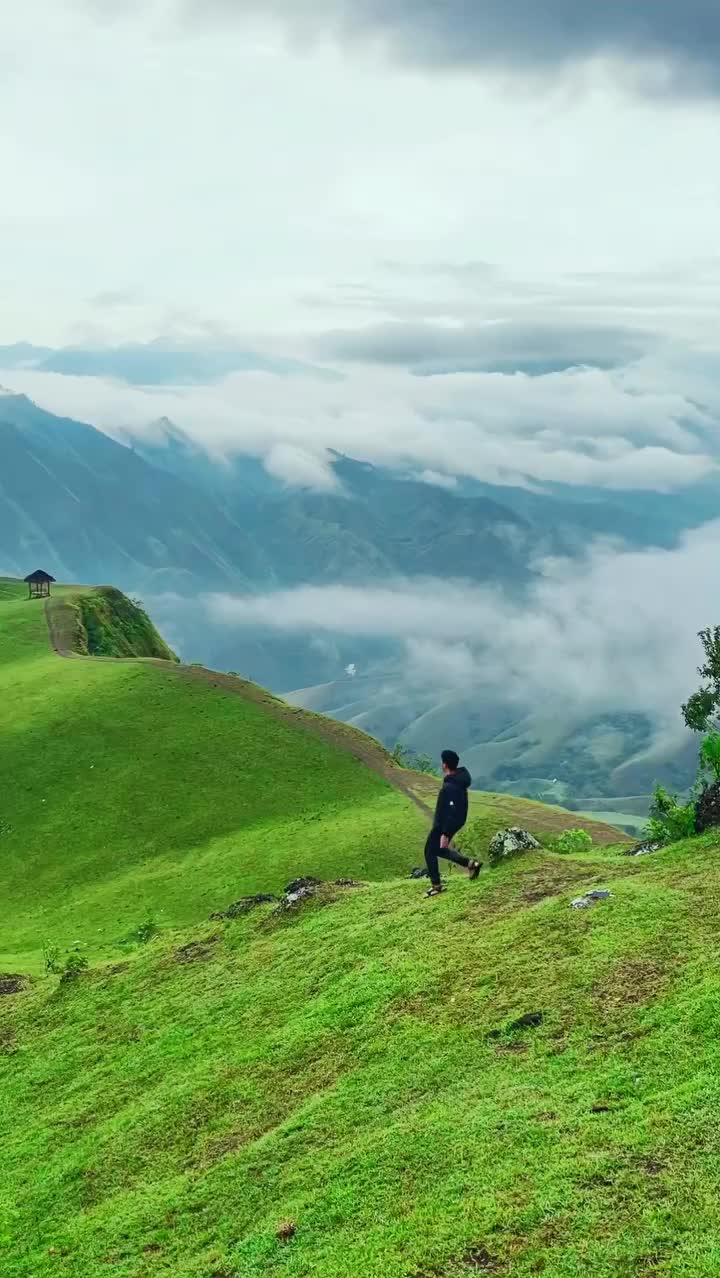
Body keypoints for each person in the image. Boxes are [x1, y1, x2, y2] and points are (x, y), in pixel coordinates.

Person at [424, 749, 481, 898]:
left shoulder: (450, 787)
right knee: (438, 850)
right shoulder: (458, 782)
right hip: (448, 824)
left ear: (445, 765)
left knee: (430, 851)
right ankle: (470, 864)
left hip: (443, 826)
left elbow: (451, 811)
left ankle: (436, 885)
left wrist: (445, 833)